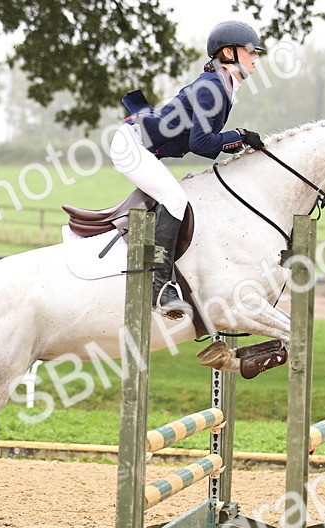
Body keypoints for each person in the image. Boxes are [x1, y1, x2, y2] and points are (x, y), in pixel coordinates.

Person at [111, 21, 268, 318]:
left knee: (174, 199)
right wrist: (240, 135)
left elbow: (206, 144)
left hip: (144, 145)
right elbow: (201, 143)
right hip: (131, 145)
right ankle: (159, 286)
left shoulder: (220, 86)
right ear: (228, 52)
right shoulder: (213, 88)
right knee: (175, 199)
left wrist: (237, 139)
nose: (255, 58)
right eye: (250, 52)